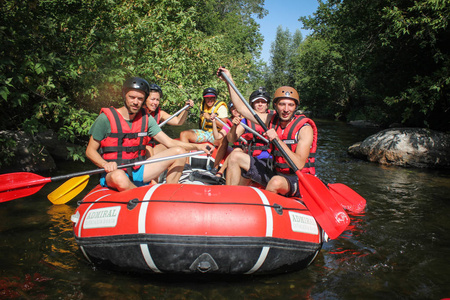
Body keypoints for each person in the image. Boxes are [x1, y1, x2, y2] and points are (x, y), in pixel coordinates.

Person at [86, 77, 212, 192]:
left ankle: (169, 192)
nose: (136, 102)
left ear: (144, 100)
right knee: (119, 176)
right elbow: (90, 151)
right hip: (113, 172)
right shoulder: (105, 119)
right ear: (124, 96)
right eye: (132, 97)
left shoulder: (146, 118)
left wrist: (198, 147)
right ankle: (142, 197)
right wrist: (104, 164)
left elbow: (170, 142)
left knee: (179, 151)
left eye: (140, 99)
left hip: (137, 169)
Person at [217, 67, 317, 197]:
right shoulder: (270, 119)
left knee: (275, 182)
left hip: (298, 179)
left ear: (296, 107)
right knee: (235, 156)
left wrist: (277, 140)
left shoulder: (305, 129)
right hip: (276, 171)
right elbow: (241, 108)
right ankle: (229, 198)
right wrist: (229, 80)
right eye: (282, 104)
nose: (286, 109)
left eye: (290, 105)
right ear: (275, 106)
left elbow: (298, 164)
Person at [179, 87, 229, 171]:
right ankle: (186, 164)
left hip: (215, 134)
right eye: (207, 98)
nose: (209, 100)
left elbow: (225, 125)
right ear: (204, 98)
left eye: (212, 98)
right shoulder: (202, 105)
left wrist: (210, 118)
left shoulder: (221, 108)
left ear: (215, 98)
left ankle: (215, 168)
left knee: (224, 140)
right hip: (205, 132)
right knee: (183, 134)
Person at [145, 83, 194, 157]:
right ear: (145, 99)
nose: (155, 103)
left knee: (174, 147)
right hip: (140, 148)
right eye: (152, 99)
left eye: (157, 100)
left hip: (151, 146)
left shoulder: (159, 114)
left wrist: (186, 109)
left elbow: (178, 121)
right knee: (148, 148)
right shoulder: (138, 113)